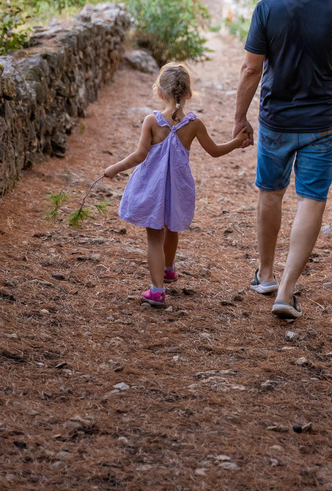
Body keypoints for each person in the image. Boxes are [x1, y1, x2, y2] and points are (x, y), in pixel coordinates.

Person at [233, 0, 332, 320]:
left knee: (271, 192)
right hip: (322, 122)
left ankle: (266, 274)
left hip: (276, 120)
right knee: (311, 199)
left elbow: (250, 69)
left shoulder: (267, 10)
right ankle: (287, 292)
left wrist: (240, 117)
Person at [103, 62, 246, 308]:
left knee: (154, 239)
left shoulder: (151, 121)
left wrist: (114, 168)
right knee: (173, 227)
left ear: (160, 92)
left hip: (153, 188)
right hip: (179, 186)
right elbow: (214, 151)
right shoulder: (194, 124)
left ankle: (157, 290)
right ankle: (168, 269)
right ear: (189, 94)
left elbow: (139, 156)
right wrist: (237, 141)